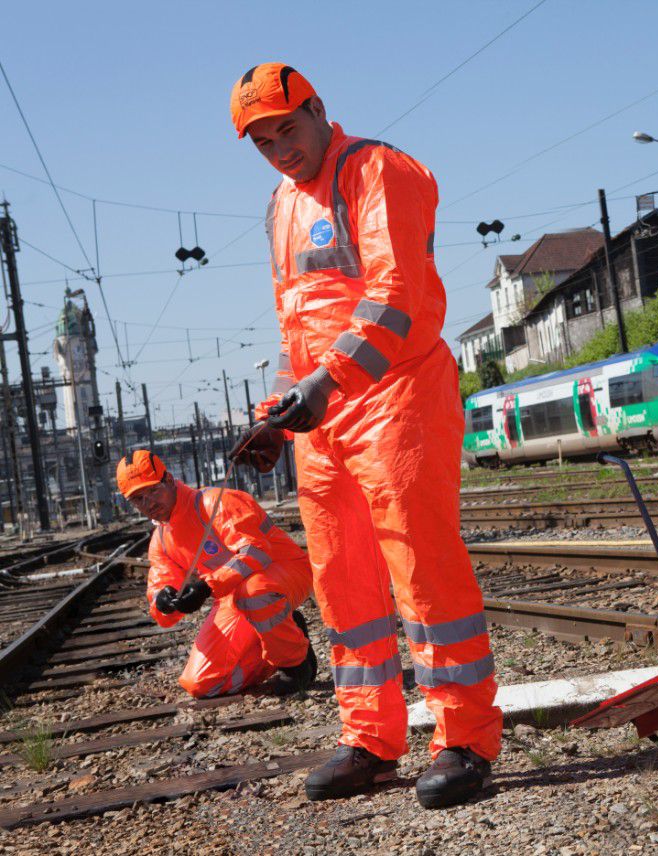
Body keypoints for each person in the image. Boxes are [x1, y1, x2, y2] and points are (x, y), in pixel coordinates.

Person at [227, 63, 501, 807]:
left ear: (319, 111)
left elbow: (397, 294)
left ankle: (466, 740)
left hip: (397, 398)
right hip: (323, 418)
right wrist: (280, 410)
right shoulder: (282, 206)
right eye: (262, 140)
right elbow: (297, 325)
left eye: (288, 128)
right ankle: (370, 739)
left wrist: (327, 382)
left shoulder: (379, 170)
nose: (280, 148)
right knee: (344, 582)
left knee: (423, 572)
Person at [117, 450, 316, 699]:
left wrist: (207, 586)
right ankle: (284, 641)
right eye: (138, 499)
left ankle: (295, 666)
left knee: (254, 591)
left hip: (284, 570)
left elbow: (255, 552)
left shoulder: (214, 502)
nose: (149, 504)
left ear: (168, 480)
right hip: (233, 597)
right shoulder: (162, 541)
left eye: (153, 491)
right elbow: (160, 591)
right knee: (200, 685)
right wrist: (164, 602)